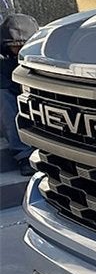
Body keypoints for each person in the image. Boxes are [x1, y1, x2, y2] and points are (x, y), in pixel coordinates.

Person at [1, 13, 39, 176]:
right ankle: (24, 155)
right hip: (9, 89)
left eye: (22, 45)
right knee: (4, 99)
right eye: (14, 46)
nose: (18, 49)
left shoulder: (43, 49)